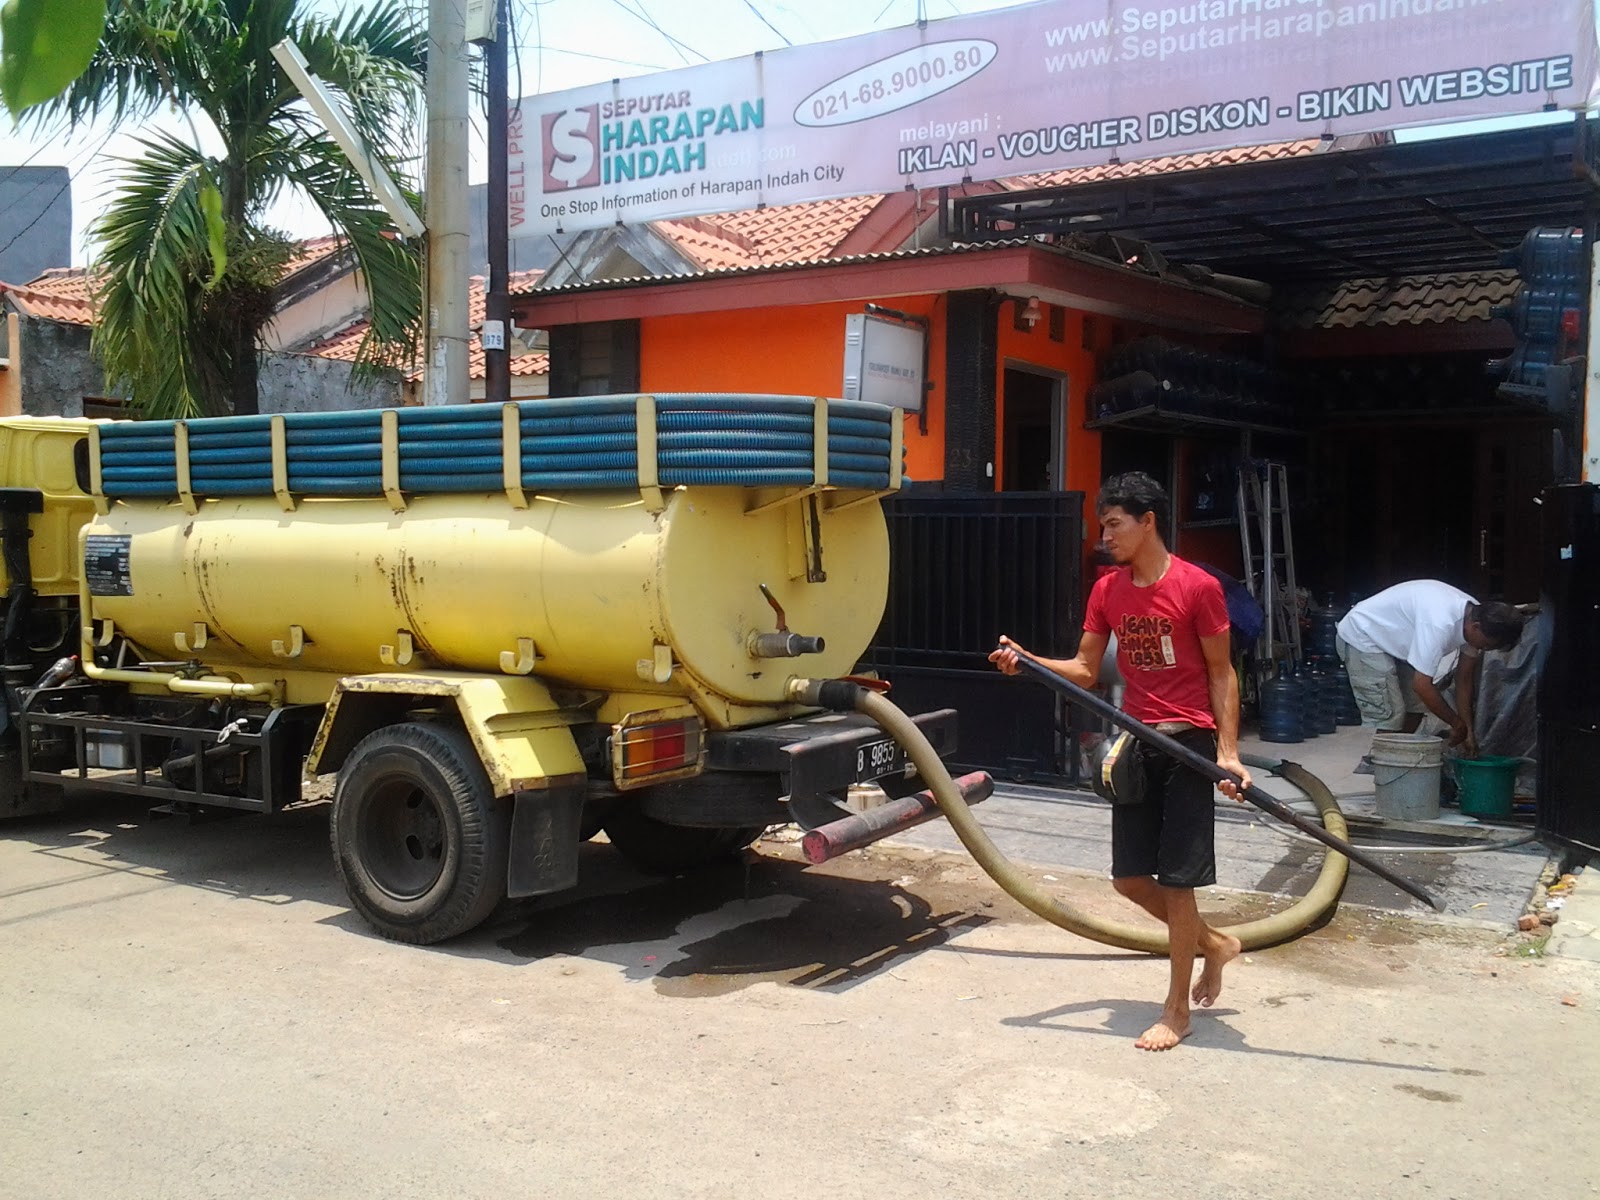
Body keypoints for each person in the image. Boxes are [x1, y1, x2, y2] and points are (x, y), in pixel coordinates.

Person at [989, 471, 1249, 1052]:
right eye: (1102, 525)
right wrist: (1028, 660)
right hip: (1137, 743)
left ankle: (1176, 1010)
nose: (1105, 535)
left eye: (1114, 523)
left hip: (1189, 746)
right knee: (1130, 880)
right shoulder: (1108, 590)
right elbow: (1085, 670)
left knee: (1179, 885)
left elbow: (1221, 673)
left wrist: (1228, 754)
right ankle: (1214, 945)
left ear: (1147, 520)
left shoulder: (1198, 587)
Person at [1335, 581, 1526, 758]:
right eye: (1485, 645)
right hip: (1363, 635)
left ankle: (1398, 759)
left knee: (1416, 706)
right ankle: (1383, 767)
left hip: (1395, 641)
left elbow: (1464, 679)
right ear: (1475, 627)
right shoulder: (1440, 623)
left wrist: (1467, 730)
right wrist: (1454, 722)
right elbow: (1422, 685)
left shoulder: (1478, 615)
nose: (1483, 650)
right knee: (1391, 714)